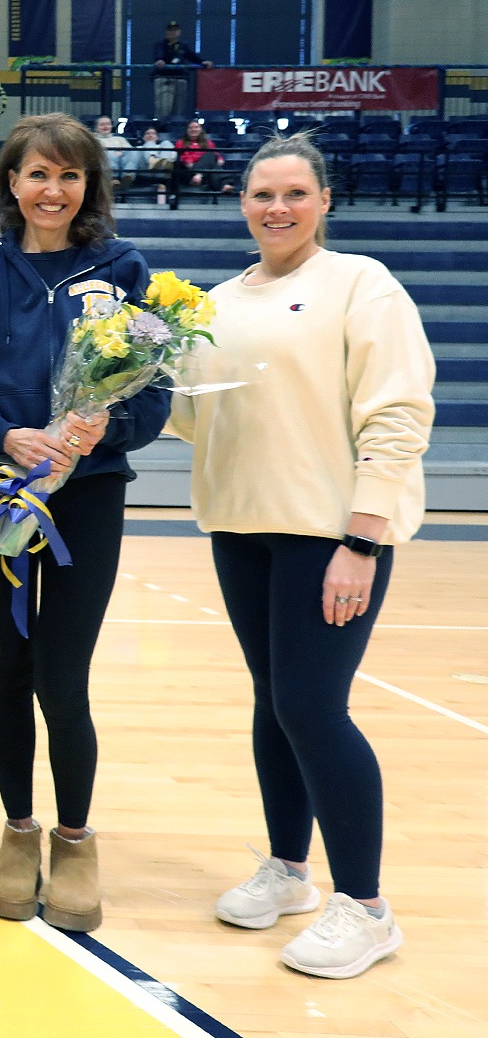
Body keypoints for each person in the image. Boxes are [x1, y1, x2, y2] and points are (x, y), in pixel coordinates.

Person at [168, 134, 434, 980]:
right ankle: (289, 870)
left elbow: (396, 415)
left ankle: (366, 906)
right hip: (243, 528)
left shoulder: (361, 285)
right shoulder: (214, 302)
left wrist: (363, 539)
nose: (275, 208)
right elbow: (197, 419)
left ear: (324, 201)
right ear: (240, 202)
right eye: (260, 194)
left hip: (331, 535)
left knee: (316, 709)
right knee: (274, 703)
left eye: (293, 193)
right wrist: (127, 373)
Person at [0, 114, 167, 933]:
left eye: (69, 176)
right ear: (10, 182)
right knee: (7, 666)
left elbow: (151, 397)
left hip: (87, 497)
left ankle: (75, 839)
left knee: (62, 672)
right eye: (37, 174)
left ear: (90, 186)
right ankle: (19, 831)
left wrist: (95, 435)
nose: (52, 190)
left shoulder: (123, 268)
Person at [152, 20, 209, 118]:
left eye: (175, 30)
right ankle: (161, 129)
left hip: (180, 79)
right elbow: (158, 56)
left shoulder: (183, 46)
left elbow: (193, 56)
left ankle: (174, 129)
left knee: (178, 109)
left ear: (179, 32)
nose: (172, 32)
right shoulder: (160, 45)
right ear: (166, 32)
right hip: (165, 79)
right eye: (170, 30)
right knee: (164, 108)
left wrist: (203, 62)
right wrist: (159, 61)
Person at [176, 120, 231, 192]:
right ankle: (224, 185)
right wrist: (188, 161)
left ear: (201, 129)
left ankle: (199, 175)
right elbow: (182, 156)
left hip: (205, 170)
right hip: (190, 169)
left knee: (211, 159)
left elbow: (216, 154)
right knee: (210, 157)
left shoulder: (208, 142)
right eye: (191, 128)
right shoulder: (181, 142)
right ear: (187, 130)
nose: (193, 129)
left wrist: (220, 159)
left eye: (196, 127)